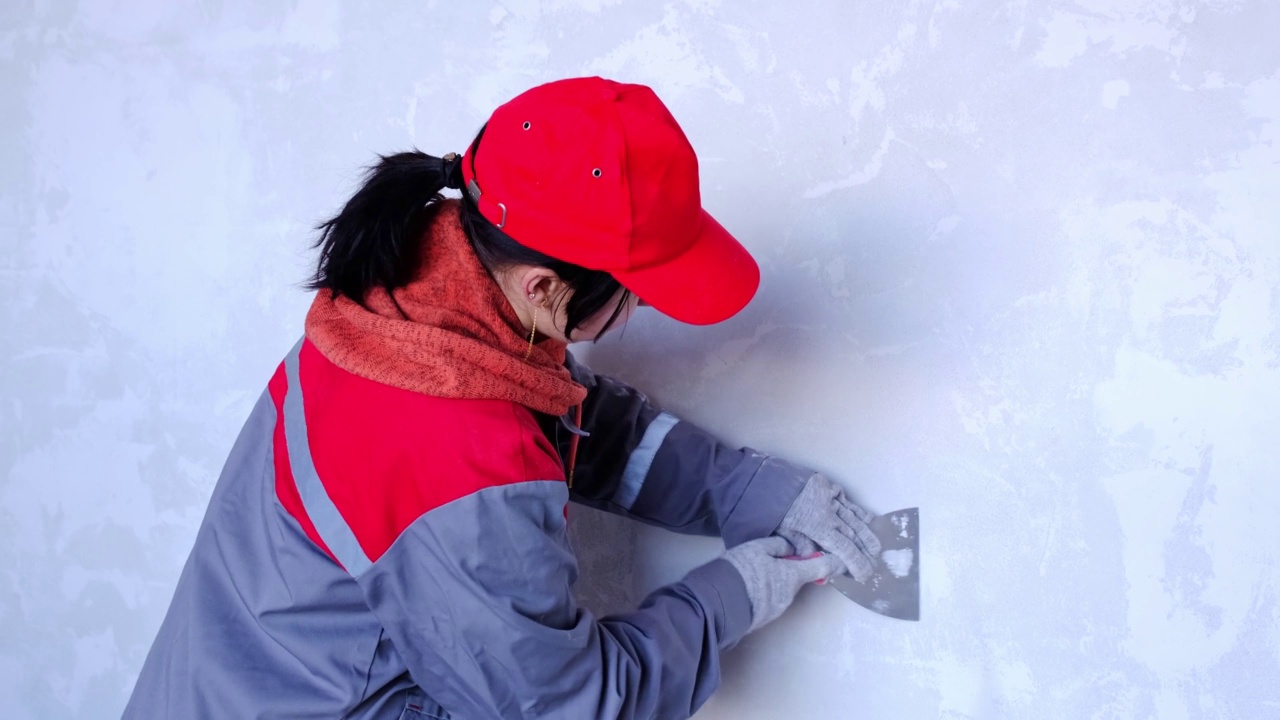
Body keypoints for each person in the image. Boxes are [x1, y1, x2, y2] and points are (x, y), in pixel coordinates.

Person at [123, 76, 882, 720]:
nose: (642, 314)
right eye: (637, 296)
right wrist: (740, 592)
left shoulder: (405, 310)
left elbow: (560, 416)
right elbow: (571, 707)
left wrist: (750, 490)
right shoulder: (457, 461)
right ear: (544, 287)